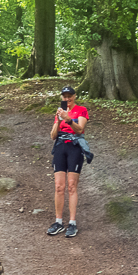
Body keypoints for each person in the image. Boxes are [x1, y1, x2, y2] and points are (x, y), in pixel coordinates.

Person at [47, 86, 89, 238]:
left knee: (71, 186)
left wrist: (68, 119)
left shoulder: (81, 110)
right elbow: (52, 136)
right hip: (60, 147)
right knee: (59, 186)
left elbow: (79, 130)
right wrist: (58, 121)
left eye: (69, 96)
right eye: (64, 96)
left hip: (74, 148)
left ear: (74, 96)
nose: (67, 99)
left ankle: (72, 223)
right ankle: (58, 222)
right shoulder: (59, 111)